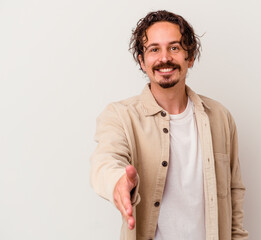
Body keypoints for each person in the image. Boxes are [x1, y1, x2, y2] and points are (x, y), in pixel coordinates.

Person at [90, 10, 248, 240]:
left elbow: (234, 194)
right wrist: (117, 182)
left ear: (190, 56)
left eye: (174, 47)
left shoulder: (220, 117)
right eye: (154, 49)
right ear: (142, 61)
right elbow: (104, 162)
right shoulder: (120, 116)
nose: (164, 58)